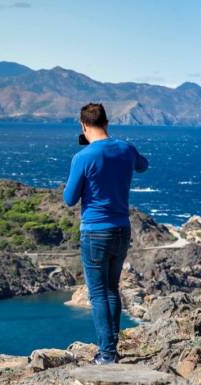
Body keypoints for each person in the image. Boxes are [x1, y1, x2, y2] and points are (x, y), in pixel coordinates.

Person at [63, 103, 149, 365]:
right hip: (122, 229)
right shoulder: (125, 148)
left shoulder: (83, 157)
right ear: (107, 123)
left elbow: (69, 198)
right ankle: (112, 347)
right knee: (112, 289)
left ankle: (107, 354)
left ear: (83, 125)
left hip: (95, 231)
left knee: (98, 293)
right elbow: (143, 165)